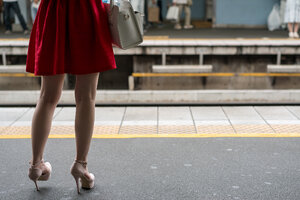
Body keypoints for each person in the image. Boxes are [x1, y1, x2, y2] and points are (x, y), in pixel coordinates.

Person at [26, 0, 116, 194]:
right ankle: (80, 165)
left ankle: (36, 165)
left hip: (52, 11)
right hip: (87, 11)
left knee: (47, 96)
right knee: (86, 97)